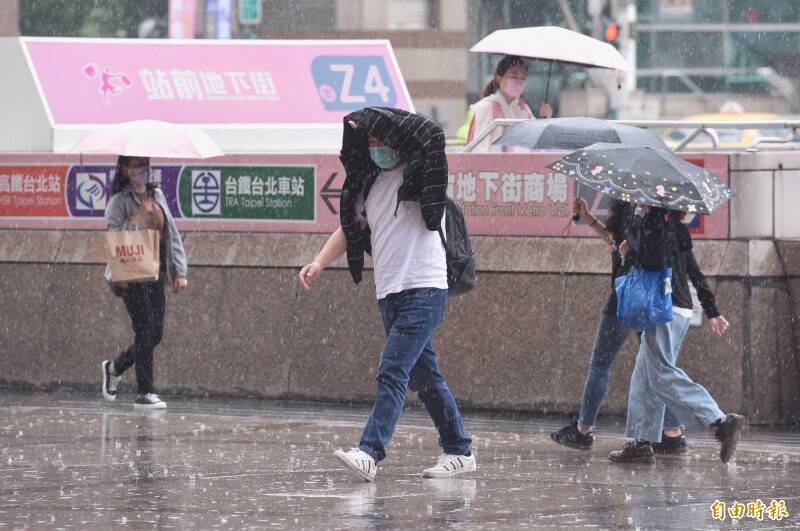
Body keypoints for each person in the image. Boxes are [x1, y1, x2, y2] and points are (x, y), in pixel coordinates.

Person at [299, 107, 474, 482]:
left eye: (382, 139)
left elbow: (430, 133)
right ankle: (459, 449)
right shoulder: (370, 185)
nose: (377, 147)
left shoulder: (421, 176)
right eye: (371, 141)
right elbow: (348, 230)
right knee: (426, 378)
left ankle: (370, 452)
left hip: (425, 290)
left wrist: (373, 119)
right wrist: (318, 263)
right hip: (390, 293)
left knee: (392, 371)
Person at [551, 199, 711, 455]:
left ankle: (584, 430)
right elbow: (619, 243)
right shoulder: (653, 214)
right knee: (654, 369)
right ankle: (672, 432)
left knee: (604, 362)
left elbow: (628, 250)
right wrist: (590, 219)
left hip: (628, 296)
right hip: (641, 297)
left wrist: (625, 250)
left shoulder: (638, 210)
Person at [607, 206, 744, 464]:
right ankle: (641, 442)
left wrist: (628, 253)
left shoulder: (652, 224)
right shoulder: (674, 227)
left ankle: (720, 421)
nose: (638, 200)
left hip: (663, 307)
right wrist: (711, 309)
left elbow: (653, 262)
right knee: (644, 375)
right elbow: (693, 269)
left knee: (660, 374)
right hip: (678, 307)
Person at [101, 156, 188, 410]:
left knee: (155, 332)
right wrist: (139, 215)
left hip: (156, 271)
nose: (143, 171)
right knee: (145, 329)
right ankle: (145, 392)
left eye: (146, 165)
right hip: (131, 275)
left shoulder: (157, 195)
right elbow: (115, 237)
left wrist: (179, 272)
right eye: (138, 166)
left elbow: (171, 235)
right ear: (126, 170)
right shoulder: (119, 202)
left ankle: (115, 367)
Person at [467, 55, 553, 152]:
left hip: (522, 166)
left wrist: (544, 119)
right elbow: (479, 150)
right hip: (496, 166)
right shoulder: (487, 107)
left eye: (523, 77)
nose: (518, 81)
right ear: (499, 78)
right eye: (513, 76)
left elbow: (535, 145)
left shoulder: (523, 109)